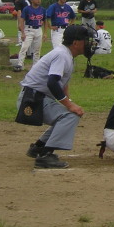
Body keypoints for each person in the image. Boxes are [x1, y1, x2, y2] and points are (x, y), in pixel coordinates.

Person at [18, 25, 95, 168]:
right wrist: (70, 106)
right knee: (69, 116)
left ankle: (39, 147)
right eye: (86, 40)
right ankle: (45, 156)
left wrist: (69, 103)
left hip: (36, 97)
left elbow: (62, 84)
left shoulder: (67, 55)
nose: (89, 43)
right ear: (76, 43)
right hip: (32, 99)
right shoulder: (62, 54)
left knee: (67, 114)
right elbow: (52, 82)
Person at [16, 0, 48, 72]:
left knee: (37, 49)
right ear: (31, 0)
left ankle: (35, 66)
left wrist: (45, 33)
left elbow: (45, 21)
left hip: (38, 29)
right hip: (28, 29)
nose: (39, 0)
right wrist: (23, 33)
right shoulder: (27, 9)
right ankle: (20, 64)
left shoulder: (43, 9)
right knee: (24, 47)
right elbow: (22, 20)